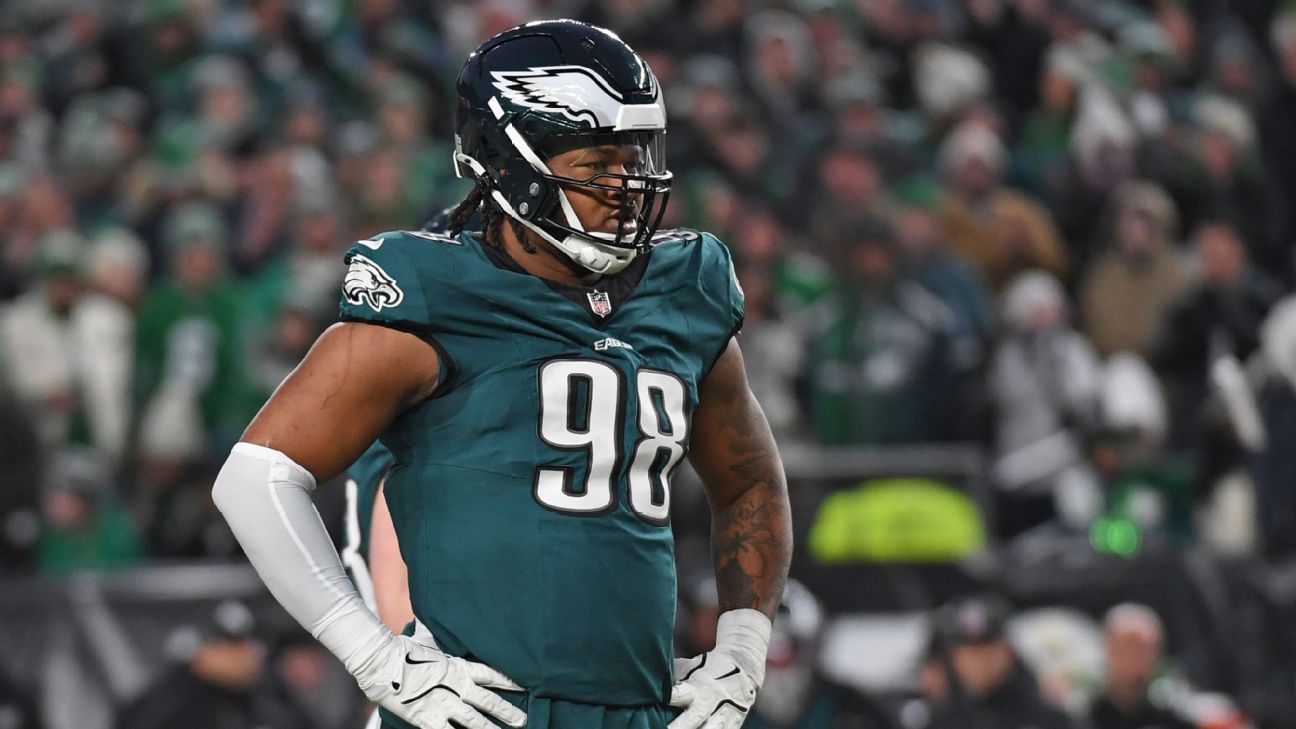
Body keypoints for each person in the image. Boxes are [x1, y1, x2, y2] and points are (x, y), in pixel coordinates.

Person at [214, 19, 792, 729]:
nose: (627, 185)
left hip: (635, 709)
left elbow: (751, 480)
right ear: (512, 164)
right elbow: (256, 477)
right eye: (597, 162)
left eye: (635, 155)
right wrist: (372, 656)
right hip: (481, 712)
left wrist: (743, 649)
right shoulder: (437, 294)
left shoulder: (685, 290)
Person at [116, 599, 312, 729]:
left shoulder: (269, 698)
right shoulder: (170, 701)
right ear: (203, 649)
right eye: (231, 646)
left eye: (248, 644)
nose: (244, 655)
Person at [926, 595, 1076, 729]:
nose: (978, 664)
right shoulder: (937, 718)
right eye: (969, 654)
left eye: (987, 652)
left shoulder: (1045, 715)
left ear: (1007, 651)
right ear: (954, 658)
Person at [1088, 604, 1192, 729]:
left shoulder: (1173, 711)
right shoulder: (1085, 714)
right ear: (1108, 648)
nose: (1139, 656)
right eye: (1129, 646)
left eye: (1149, 648)